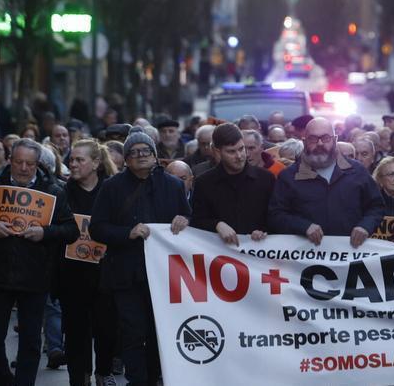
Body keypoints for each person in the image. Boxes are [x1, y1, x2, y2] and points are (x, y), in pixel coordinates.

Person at [0, 138, 78, 386]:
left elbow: (71, 230)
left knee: (31, 341)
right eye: (19, 162)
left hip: (35, 277)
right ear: (9, 161)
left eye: (30, 164)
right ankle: (3, 379)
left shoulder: (53, 191)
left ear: (38, 165)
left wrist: (45, 232)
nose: (24, 168)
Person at [90, 128, 191, 386]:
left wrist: (185, 219)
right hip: (126, 274)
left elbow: (191, 222)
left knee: (160, 332)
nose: (140, 156)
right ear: (126, 160)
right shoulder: (112, 187)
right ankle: (137, 381)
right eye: (134, 153)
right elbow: (97, 228)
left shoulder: (174, 186)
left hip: (165, 275)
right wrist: (127, 233)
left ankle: (157, 377)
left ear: (155, 156)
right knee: (133, 332)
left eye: (145, 151)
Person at [268, 117, 384, 248]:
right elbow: (275, 215)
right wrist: (303, 226)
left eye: (325, 138)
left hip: (350, 256)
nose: (320, 144)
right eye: (313, 139)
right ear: (304, 141)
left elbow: (376, 207)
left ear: (335, 140)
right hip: (304, 258)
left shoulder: (357, 171)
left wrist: (365, 226)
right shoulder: (288, 177)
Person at [57, 140, 116, 386]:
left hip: (105, 272)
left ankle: (103, 372)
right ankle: (79, 377)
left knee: (107, 327)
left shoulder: (111, 190)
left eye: (80, 160)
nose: (73, 164)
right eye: (71, 159)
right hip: (72, 272)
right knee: (75, 330)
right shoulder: (62, 191)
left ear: (95, 163)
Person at [190, 123, 274, 244]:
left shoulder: (266, 179)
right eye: (231, 152)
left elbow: (275, 216)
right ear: (217, 152)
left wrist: (263, 231)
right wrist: (217, 225)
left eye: (241, 149)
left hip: (257, 254)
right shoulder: (204, 183)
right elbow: (197, 220)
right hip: (219, 256)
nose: (239, 156)